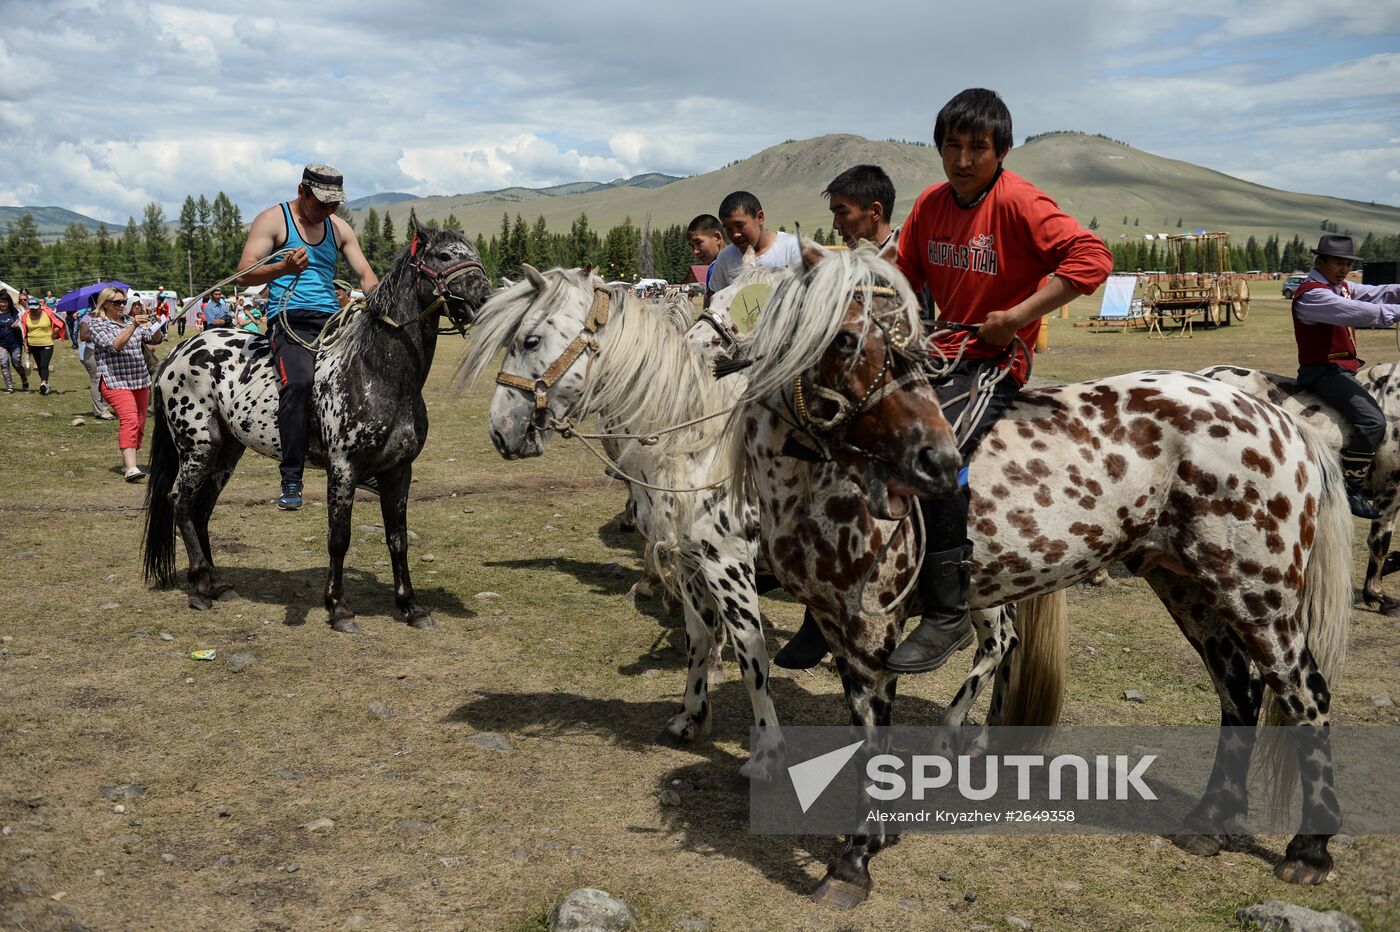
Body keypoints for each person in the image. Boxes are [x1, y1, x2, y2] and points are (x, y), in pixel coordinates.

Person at [776, 88, 1112, 675]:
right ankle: (821, 605)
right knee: (842, 428)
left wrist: (1018, 318)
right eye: (951, 146)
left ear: (1000, 150)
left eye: (977, 148)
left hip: (993, 360)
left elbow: (1092, 259)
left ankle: (949, 608)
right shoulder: (932, 204)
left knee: (935, 449)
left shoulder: (1021, 201)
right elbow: (902, 275)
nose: (962, 160)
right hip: (936, 350)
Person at [235, 163, 377, 510]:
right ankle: (292, 477)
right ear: (302, 192)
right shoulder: (273, 220)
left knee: (369, 376)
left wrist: (380, 301)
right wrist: (282, 268)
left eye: (334, 205)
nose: (329, 210)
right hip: (289, 319)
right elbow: (243, 275)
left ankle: (365, 464)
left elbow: (365, 275)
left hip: (332, 319)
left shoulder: (339, 228)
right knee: (298, 382)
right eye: (322, 203)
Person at [1290, 233, 1400, 519]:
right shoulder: (1313, 294)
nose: (1344, 269)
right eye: (1339, 263)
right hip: (1321, 373)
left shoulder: (1340, 287)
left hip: (1344, 370)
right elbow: (1357, 312)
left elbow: (1379, 292)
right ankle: (1349, 487)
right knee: (1372, 420)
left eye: (1348, 263)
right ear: (1320, 260)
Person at [85, 287, 163, 481]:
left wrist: (158, 324)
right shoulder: (98, 324)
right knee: (130, 420)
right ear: (105, 304)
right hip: (115, 381)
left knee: (140, 423)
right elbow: (115, 345)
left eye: (123, 301)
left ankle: (128, 461)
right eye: (117, 302)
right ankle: (131, 468)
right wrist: (134, 327)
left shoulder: (129, 321)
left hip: (140, 380)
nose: (122, 305)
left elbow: (153, 340)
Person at [704, 192, 801, 306]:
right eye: (728, 229)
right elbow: (713, 296)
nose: (735, 234)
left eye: (740, 226)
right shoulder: (725, 257)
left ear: (760, 218)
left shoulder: (793, 248)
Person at [823, 164, 898, 250]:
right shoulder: (848, 262)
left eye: (842, 213)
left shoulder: (907, 260)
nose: (835, 225)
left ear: (876, 212)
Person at [17, 291, 66, 395]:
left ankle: (43, 383)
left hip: (47, 343)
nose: (34, 310)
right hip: (33, 344)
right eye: (32, 308)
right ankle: (45, 384)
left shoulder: (48, 313)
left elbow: (59, 323)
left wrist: (55, 332)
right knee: (39, 365)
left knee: (44, 364)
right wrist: (25, 345)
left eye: (36, 307)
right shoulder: (26, 315)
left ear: (40, 306)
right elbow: (25, 331)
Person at [75, 296, 115, 419]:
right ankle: (100, 410)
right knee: (96, 380)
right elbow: (83, 336)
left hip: (102, 352)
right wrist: (100, 335)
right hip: (90, 352)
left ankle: (104, 407)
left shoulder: (106, 318)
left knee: (104, 380)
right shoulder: (87, 318)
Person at [686, 214, 726, 288]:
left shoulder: (717, 270)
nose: (695, 251)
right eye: (692, 246)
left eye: (699, 243)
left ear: (717, 237)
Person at [0, 290, 27, 393]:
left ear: (9, 302)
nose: (2, 304)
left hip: (15, 342)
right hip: (1, 343)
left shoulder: (15, 312)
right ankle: (10, 386)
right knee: (3, 363)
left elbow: (23, 325)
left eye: (5, 302)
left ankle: (24, 379)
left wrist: (18, 326)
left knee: (16, 363)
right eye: (1, 302)